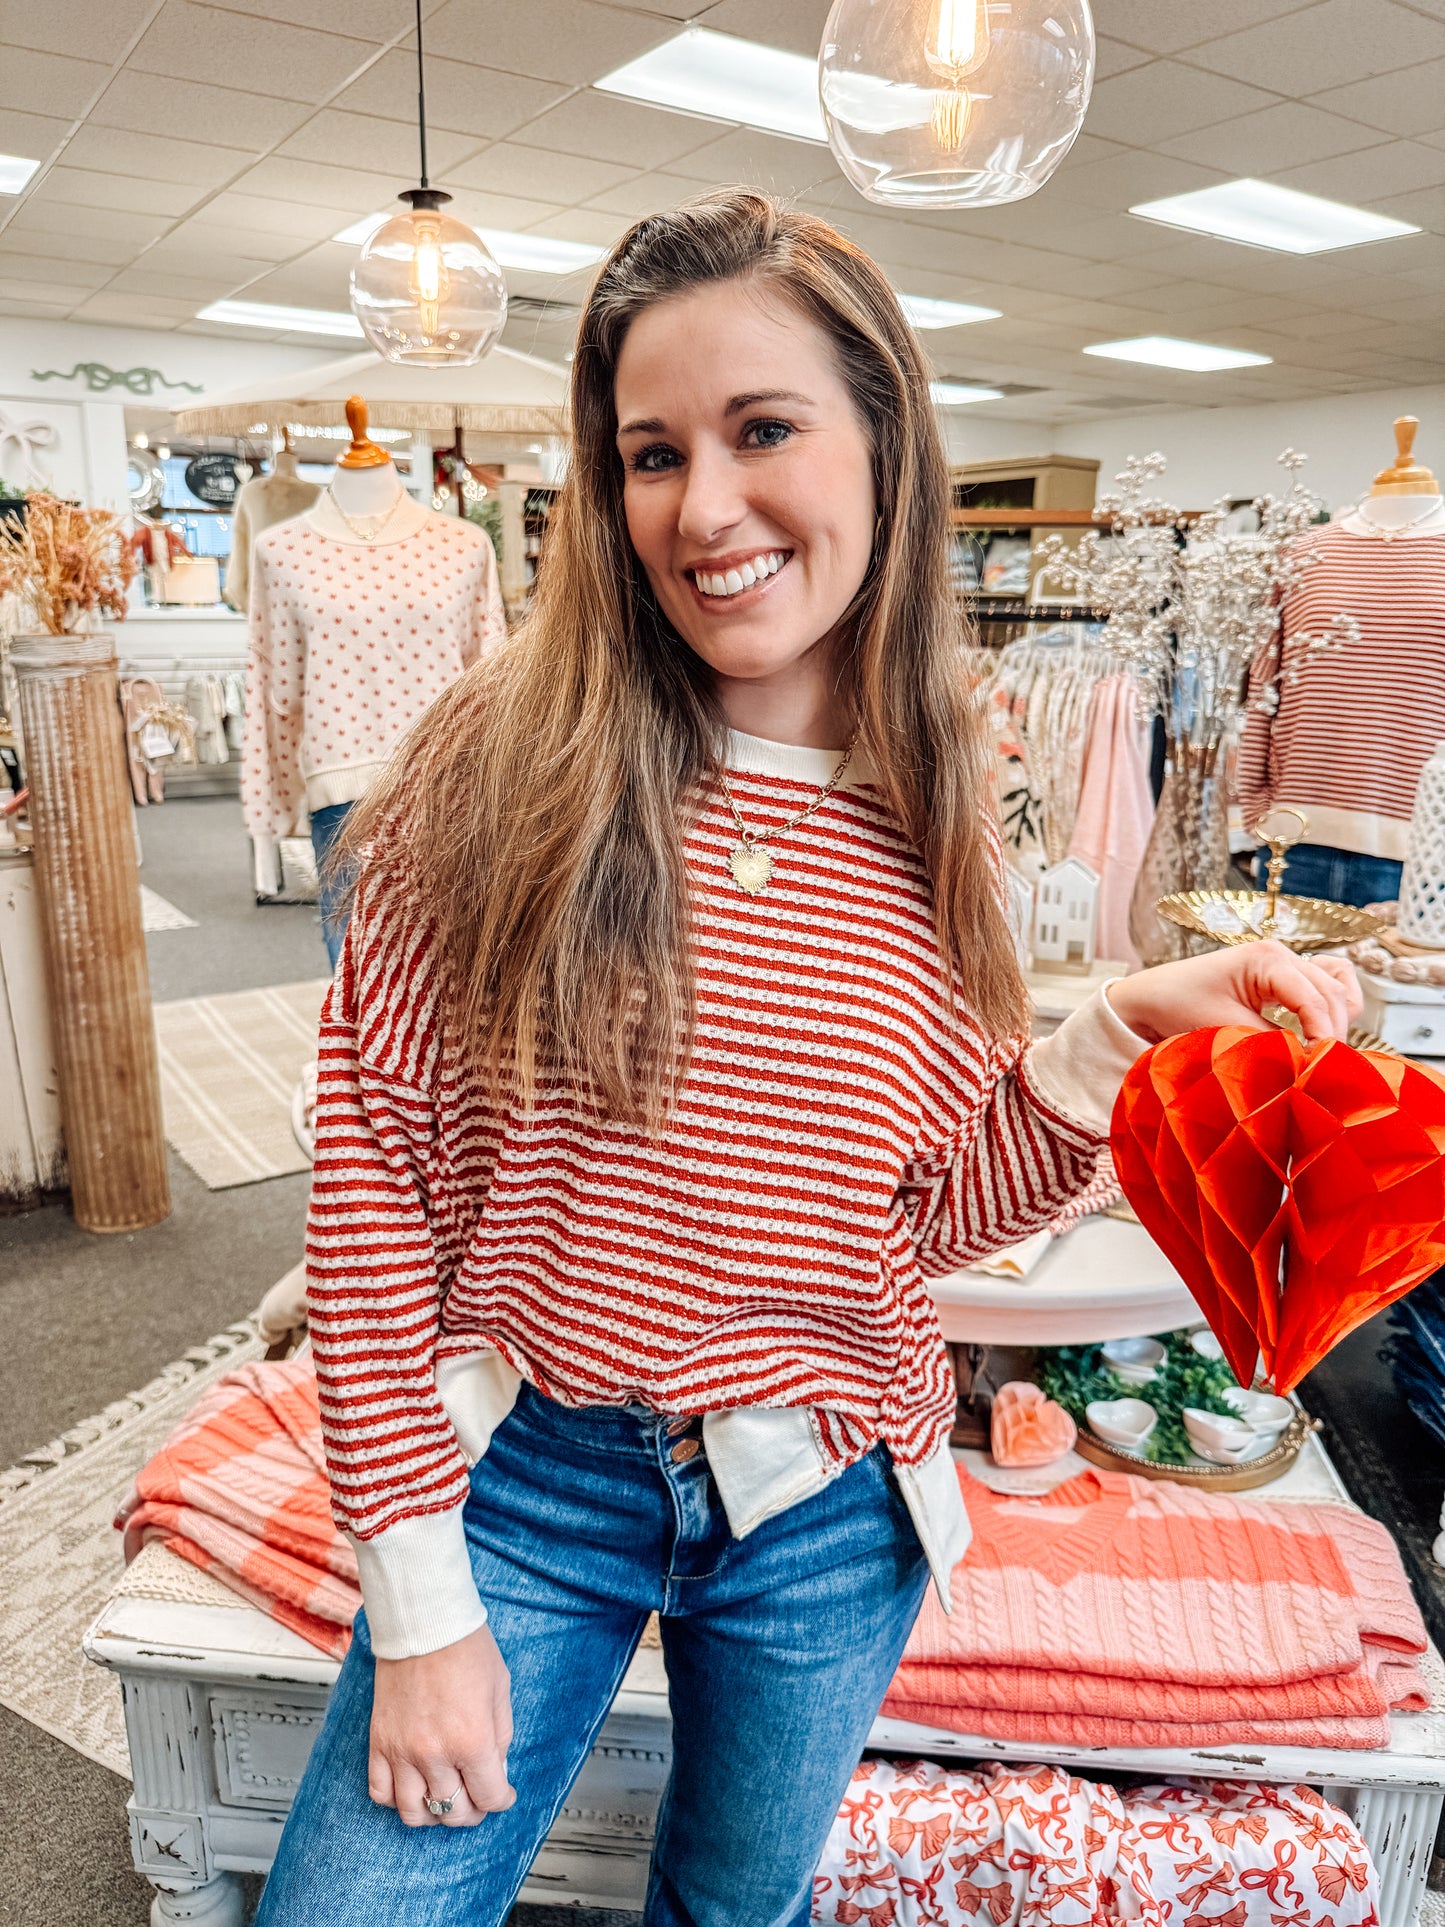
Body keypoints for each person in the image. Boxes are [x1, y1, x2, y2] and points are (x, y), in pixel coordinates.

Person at [254, 191, 1360, 1927]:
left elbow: (906, 1223)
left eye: (761, 429)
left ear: (883, 443)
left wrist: (1098, 1047)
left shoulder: (937, 805)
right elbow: (377, 1172)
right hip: (537, 1473)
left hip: (830, 1495)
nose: (703, 509)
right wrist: (416, 1600)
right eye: (648, 453)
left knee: (735, 1909)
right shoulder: (498, 763)